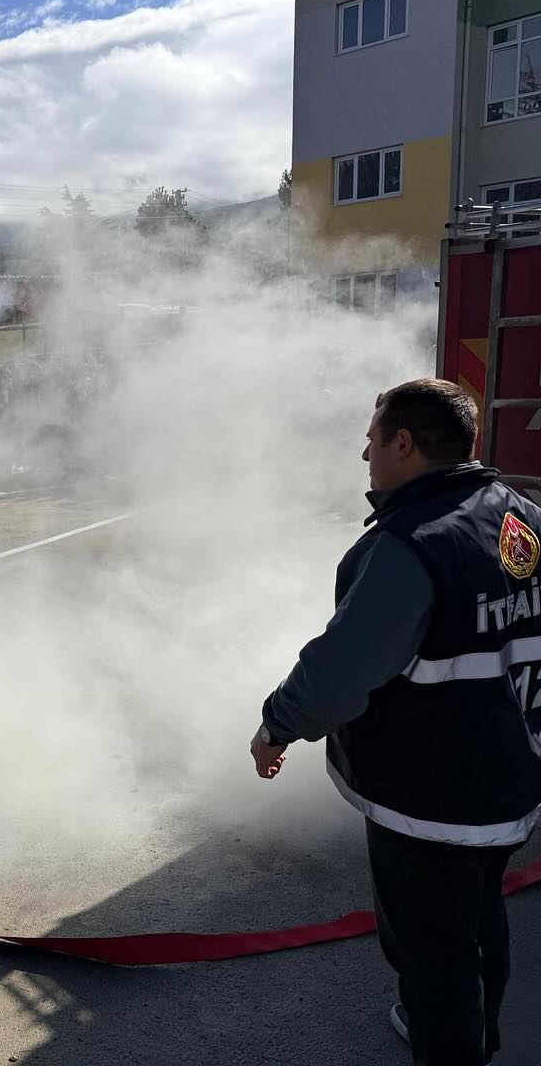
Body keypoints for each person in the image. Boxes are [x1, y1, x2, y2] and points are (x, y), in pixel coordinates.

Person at [252, 379, 541, 1066]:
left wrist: (276, 726)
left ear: (404, 443)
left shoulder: (412, 545)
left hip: (432, 801)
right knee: (479, 922)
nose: (365, 453)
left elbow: (343, 668)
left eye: (373, 438)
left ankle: (450, 1042)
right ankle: (476, 1033)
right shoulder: (521, 518)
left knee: (431, 956)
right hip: (507, 782)